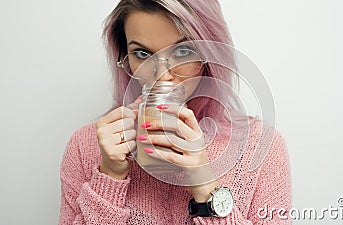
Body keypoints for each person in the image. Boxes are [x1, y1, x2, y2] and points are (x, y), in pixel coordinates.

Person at [59, 0, 292, 224]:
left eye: (183, 52)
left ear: (210, 56)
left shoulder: (260, 147)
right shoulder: (87, 146)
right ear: (124, 58)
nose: (162, 75)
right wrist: (109, 176)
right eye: (142, 53)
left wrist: (205, 186)